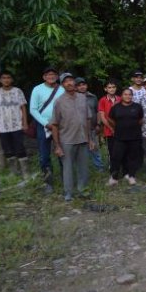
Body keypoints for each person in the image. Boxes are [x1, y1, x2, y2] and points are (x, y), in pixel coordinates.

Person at [51, 73, 93, 201]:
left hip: (83, 139)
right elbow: (54, 124)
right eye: (66, 81)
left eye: (71, 80)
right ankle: (68, 192)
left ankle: (83, 190)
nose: (69, 83)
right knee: (67, 168)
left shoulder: (82, 98)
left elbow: (88, 119)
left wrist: (90, 139)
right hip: (67, 140)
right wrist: (57, 145)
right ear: (62, 85)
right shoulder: (59, 101)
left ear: (74, 82)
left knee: (83, 167)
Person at [30, 66, 65, 193]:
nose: (51, 77)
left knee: (62, 153)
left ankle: (65, 180)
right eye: (48, 75)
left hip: (60, 125)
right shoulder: (37, 89)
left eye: (53, 75)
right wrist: (45, 123)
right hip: (43, 125)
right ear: (44, 77)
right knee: (44, 155)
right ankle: (48, 182)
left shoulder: (61, 89)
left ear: (57, 77)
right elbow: (33, 109)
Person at [0, 70, 29, 178]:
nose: (6, 80)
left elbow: (23, 107)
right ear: (0, 80)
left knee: (20, 148)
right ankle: (14, 171)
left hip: (17, 125)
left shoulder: (18, 91)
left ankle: (25, 172)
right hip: (2, 126)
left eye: (8, 77)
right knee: (7, 149)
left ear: (11, 79)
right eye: (4, 78)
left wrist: (25, 123)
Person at [107, 88, 143, 186]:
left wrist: (132, 125)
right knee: (116, 157)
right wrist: (118, 126)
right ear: (122, 96)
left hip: (134, 137)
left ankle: (131, 176)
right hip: (119, 137)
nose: (128, 96)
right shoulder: (116, 107)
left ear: (132, 96)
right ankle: (114, 178)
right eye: (125, 94)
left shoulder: (137, 107)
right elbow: (110, 119)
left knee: (133, 157)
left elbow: (141, 120)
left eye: (129, 94)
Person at [76, 77, 105, 172]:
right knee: (80, 150)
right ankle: (83, 169)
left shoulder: (93, 97)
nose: (82, 87)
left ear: (86, 85)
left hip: (92, 127)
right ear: (76, 87)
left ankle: (99, 167)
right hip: (78, 128)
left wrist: (98, 124)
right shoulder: (73, 98)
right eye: (79, 85)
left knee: (94, 148)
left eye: (83, 84)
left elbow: (97, 111)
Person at [97, 79, 119, 172]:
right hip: (109, 130)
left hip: (120, 130)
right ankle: (113, 170)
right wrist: (111, 128)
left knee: (121, 150)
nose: (112, 89)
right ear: (105, 89)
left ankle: (121, 169)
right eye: (109, 87)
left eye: (113, 87)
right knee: (112, 151)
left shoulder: (120, 99)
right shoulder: (102, 100)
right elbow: (102, 117)